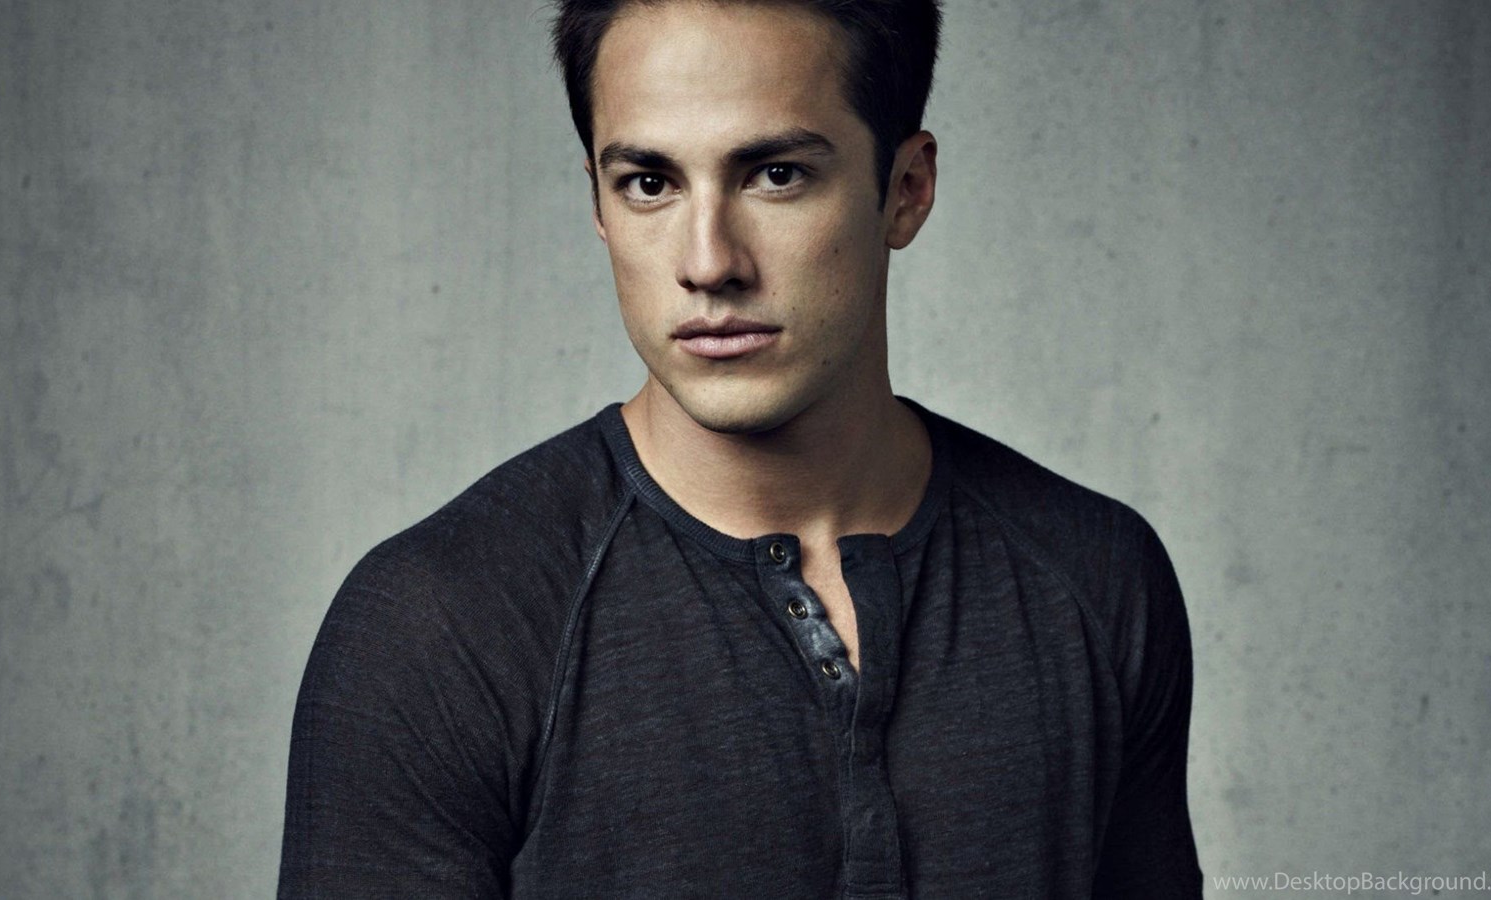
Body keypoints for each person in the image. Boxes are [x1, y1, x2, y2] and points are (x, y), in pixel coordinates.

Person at [278, 1, 1203, 897]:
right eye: (650, 183)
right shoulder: (442, 626)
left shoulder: (1097, 578)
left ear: (906, 189)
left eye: (776, 175)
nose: (709, 262)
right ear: (598, 200)